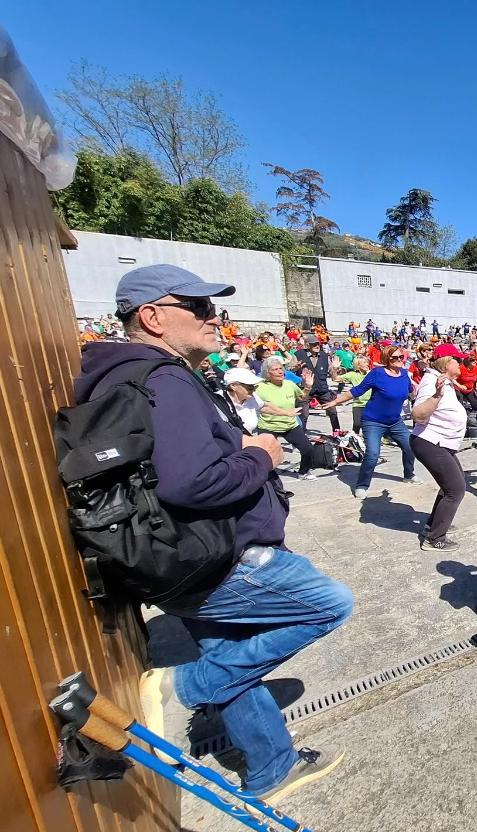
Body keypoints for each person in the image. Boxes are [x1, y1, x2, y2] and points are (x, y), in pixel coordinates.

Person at [78, 263, 349, 802]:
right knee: (330, 604)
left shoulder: (126, 374)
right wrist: (261, 454)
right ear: (152, 317)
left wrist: (236, 448)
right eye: (199, 307)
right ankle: (183, 688)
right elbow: (191, 482)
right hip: (216, 557)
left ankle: (271, 768)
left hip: (173, 557)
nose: (213, 317)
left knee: (230, 654)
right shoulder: (164, 378)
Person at [320, 346, 421, 498]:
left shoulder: (404, 374)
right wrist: (335, 402)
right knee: (373, 454)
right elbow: (356, 391)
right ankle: (362, 485)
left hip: (395, 421)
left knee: (409, 446)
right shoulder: (377, 374)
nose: (399, 360)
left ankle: (409, 474)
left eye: (401, 357)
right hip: (373, 421)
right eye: (395, 357)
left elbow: (410, 392)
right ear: (387, 359)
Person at [411, 344, 469, 551]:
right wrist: (436, 395)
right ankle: (435, 538)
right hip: (430, 442)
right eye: (457, 360)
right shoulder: (431, 382)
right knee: (455, 489)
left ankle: (433, 525)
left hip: (441, 442)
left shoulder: (443, 379)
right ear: (446, 363)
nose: (461, 363)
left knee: (452, 485)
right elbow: (418, 415)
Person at [257, 358, 318, 479]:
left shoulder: (289, 384)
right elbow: (259, 407)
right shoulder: (259, 387)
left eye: (281, 368)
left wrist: (308, 387)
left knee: (308, 449)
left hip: (289, 425)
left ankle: (303, 472)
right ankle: (263, 476)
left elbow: (302, 397)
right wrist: (285, 412)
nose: (280, 371)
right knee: (264, 455)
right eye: (275, 369)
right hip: (268, 426)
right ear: (268, 373)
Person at [222, 367, 264, 433]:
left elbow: (265, 406)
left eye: (254, 386)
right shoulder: (219, 401)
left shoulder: (252, 396)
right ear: (233, 386)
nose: (253, 389)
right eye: (249, 387)